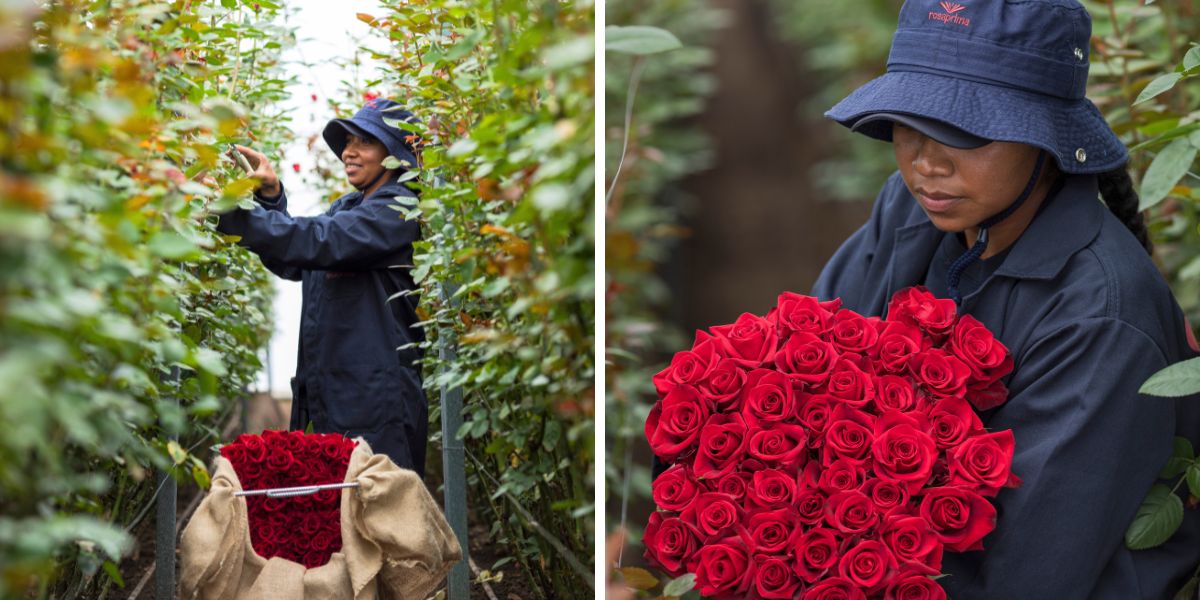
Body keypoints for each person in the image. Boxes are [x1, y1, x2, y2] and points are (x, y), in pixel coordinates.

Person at [813, 0, 1200, 597]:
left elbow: (1033, 573)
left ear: (1047, 139)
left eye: (966, 132)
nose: (926, 163)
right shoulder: (911, 210)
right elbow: (811, 360)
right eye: (907, 124)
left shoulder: (1099, 318)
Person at [216, 98, 430, 477]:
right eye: (347, 142)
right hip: (331, 397)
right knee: (333, 506)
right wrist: (270, 197)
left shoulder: (398, 211)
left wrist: (228, 213)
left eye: (365, 142)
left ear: (396, 154)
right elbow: (297, 258)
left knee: (380, 503)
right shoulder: (348, 208)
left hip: (376, 403)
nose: (348, 152)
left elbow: (320, 241)